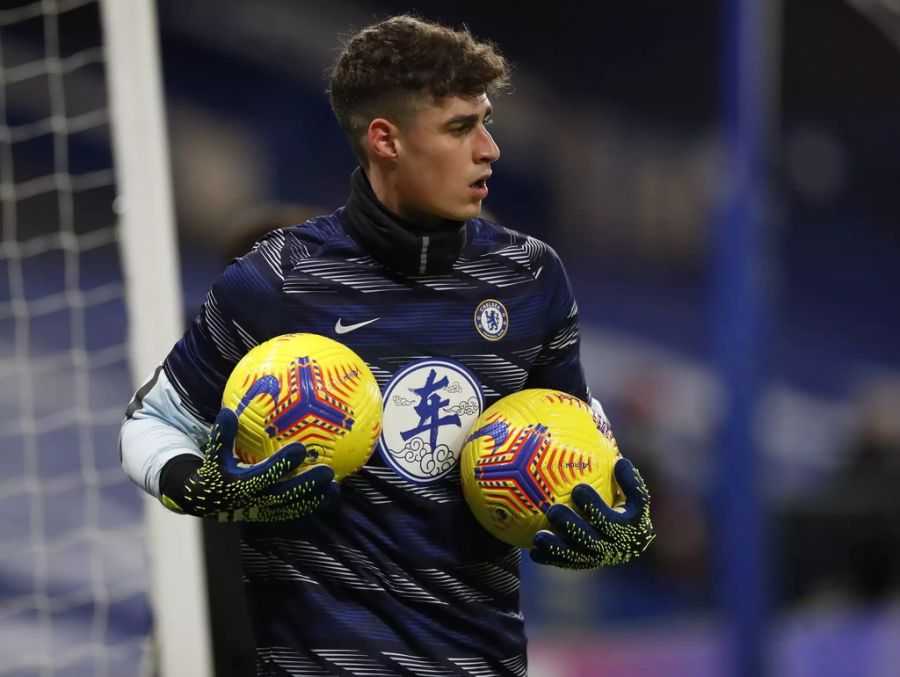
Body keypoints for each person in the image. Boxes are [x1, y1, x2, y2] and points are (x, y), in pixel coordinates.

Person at [120, 15, 655, 675]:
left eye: (486, 123)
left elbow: (579, 437)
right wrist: (192, 483)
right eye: (461, 128)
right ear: (385, 139)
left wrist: (614, 525)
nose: (490, 149)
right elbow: (150, 423)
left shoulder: (531, 278)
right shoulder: (278, 277)